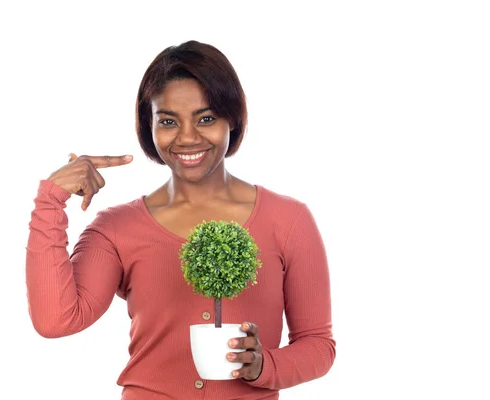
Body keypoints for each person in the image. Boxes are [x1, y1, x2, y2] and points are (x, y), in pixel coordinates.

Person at [26, 40, 335, 400]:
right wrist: (51, 200)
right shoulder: (115, 228)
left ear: (232, 119)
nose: (188, 137)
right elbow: (55, 320)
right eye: (169, 121)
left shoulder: (289, 220)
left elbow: (318, 345)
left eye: (206, 118)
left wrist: (263, 366)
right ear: (149, 126)